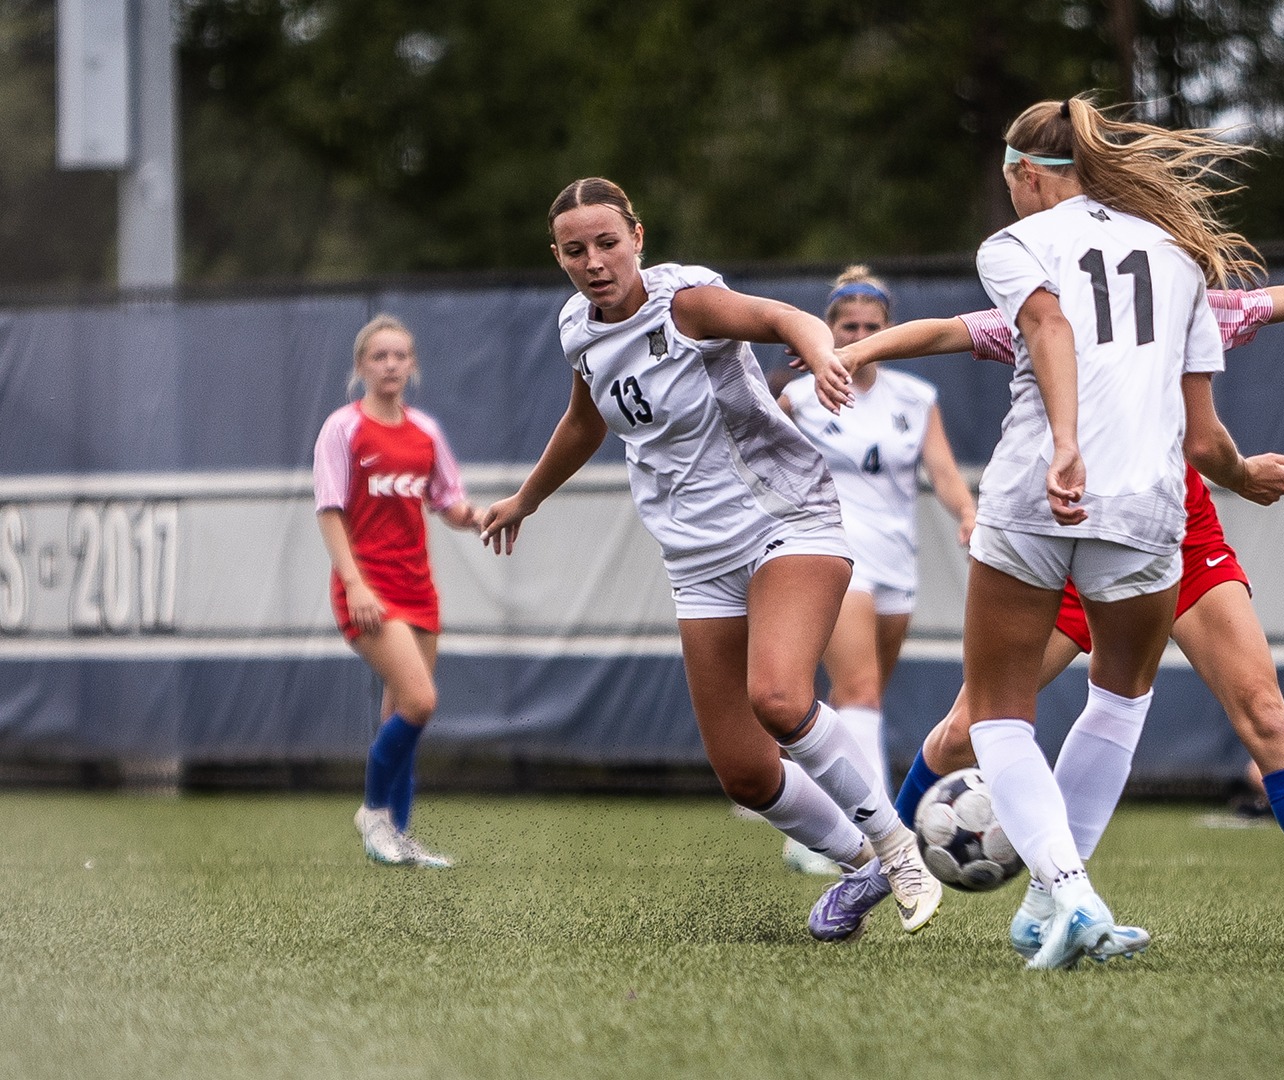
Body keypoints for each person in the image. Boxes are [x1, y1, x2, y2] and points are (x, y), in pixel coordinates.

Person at [835, 277, 1284, 950]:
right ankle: (879, 872)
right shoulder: (1044, 313)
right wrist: (845, 356)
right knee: (968, 725)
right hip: (1069, 538)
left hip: (1177, 532)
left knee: (1264, 712)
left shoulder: (1185, 306)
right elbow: (943, 331)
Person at [477, 178, 941, 940]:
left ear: (638, 238)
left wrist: (821, 351)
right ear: (557, 257)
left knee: (780, 699)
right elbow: (585, 422)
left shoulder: (685, 303)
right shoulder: (577, 327)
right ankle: (859, 864)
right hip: (695, 556)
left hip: (784, 519)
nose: (595, 262)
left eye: (608, 243)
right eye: (575, 250)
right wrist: (525, 499)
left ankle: (898, 850)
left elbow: (783, 318)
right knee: (746, 773)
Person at [775, 266, 976, 874]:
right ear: (829, 330)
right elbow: (759, 463)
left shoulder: (915, 397)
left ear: (888, 331)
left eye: (872, 327)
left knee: (857, 699)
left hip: (896, 559)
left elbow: (943, 473)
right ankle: (875, 844)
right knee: (860, 690)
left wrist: (968, 514)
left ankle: (812, 827)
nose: (860, 336)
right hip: (832, 552)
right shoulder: (800, 396)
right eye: (848, 326)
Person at [314, 314, 478, 868]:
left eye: (400, 356)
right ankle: (373, 813)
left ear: (413, 365)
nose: (390, 365)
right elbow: (329, 510)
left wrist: (479, 516)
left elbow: (448, 501)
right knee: (420, 700)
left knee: (403, 716)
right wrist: (354, 583)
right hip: (368, 589)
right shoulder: (343, 428)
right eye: (379, 356)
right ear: (361, 366)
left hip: (417, 588)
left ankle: (396, 836)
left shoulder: (425, 431)